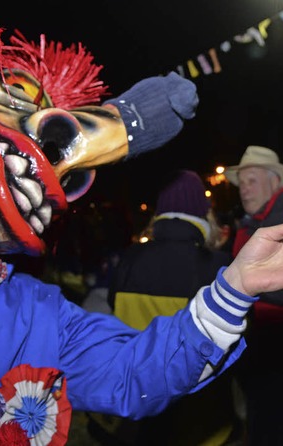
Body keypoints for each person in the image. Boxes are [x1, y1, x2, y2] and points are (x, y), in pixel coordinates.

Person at [0, 2, 283, 444]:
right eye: (17, 100)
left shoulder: (38, 312)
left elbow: (134, 373)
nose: (57, 175)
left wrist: (236, 288)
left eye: (74, 176)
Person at [99, 169, 238, 445]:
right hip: (198, 413)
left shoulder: (128, 259)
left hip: (140, 402)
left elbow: (113, 310)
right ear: (202, 213)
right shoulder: (218, 266)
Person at [224, 145, 283, 445]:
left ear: (274, 182)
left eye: (251, 180)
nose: (243, 190)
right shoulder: (253, 224)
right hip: (261, 353)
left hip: (282, 356)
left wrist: (235, 287)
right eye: (242, 183)